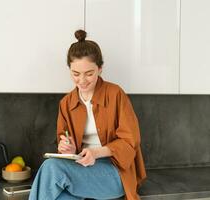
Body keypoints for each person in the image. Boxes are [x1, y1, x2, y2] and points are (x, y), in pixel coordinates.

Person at [29, 30, 146, 200]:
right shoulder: (66, 103)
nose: (82, 80)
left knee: (51, 168)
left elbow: (130, 141)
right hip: (81, 171)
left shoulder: (115, 94)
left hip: (115, 172)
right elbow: (66, 141)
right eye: (76, 74)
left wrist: (96, 153)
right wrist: (68, 148)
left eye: (89, 73)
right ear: (69, 70)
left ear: (100, 68)